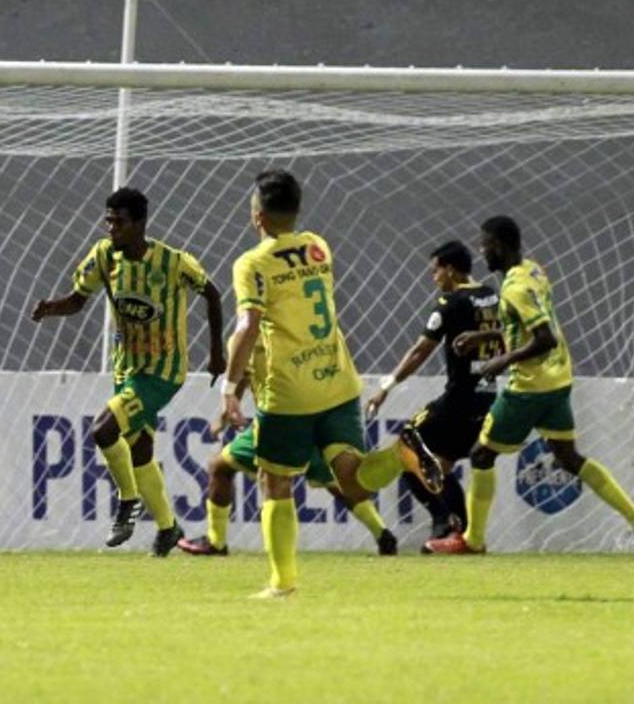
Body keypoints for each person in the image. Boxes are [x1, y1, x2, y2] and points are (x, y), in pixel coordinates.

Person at [221, 170, 440, 598]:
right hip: (338, 381)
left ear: (257, 216)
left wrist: (229, 388)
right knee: (352, 478)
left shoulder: (252, 263)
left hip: (289, 391)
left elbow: (249, 325)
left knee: (275, 480)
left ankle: (282, 584)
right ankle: (400, 454)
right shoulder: (318, 246)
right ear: (297, 210)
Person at [425, 215, 634, 555]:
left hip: (530, 387)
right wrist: (485, 335)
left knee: (481, 454)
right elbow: (529, 327)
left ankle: (472, 540)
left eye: (486, 244)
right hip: (559, 379)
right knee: (568, 457)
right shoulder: (532, 270)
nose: (482, 251)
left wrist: (501, 360)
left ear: (500, 247)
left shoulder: (514, 289)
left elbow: (544, 338)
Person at [32, 187, 226, 556]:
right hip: (128, 369)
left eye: (118, 222)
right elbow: (77, 299)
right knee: (139, 453)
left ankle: (127, 503)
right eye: (108, 221)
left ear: (139, 224)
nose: (111, 229)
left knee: (103, 429)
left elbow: (212, 294)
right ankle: (168, 530)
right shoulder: (104, 256)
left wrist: (215, 352)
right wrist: (51, 308)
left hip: (163, 372)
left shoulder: (173, 262)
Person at [178, 339, 398, 557]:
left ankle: (219, 544)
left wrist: (227, 410)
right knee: (338, 483)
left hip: (279, 421)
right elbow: (244, 374)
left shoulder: (247, 335)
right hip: (314, 418)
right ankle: (382, 533)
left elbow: (241, 374)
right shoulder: (296, 328)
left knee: (237, 472)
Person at [365, 240, 500, 549]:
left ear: (450, 270)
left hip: (458, 400)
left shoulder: (450, 303)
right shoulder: (492, 296)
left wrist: (386, 387)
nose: (433, 277)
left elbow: (419, 352)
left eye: (435, 270)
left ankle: (446, 521)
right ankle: (461, 535)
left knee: (407, 450)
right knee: (439, 466)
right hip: (488, 398)